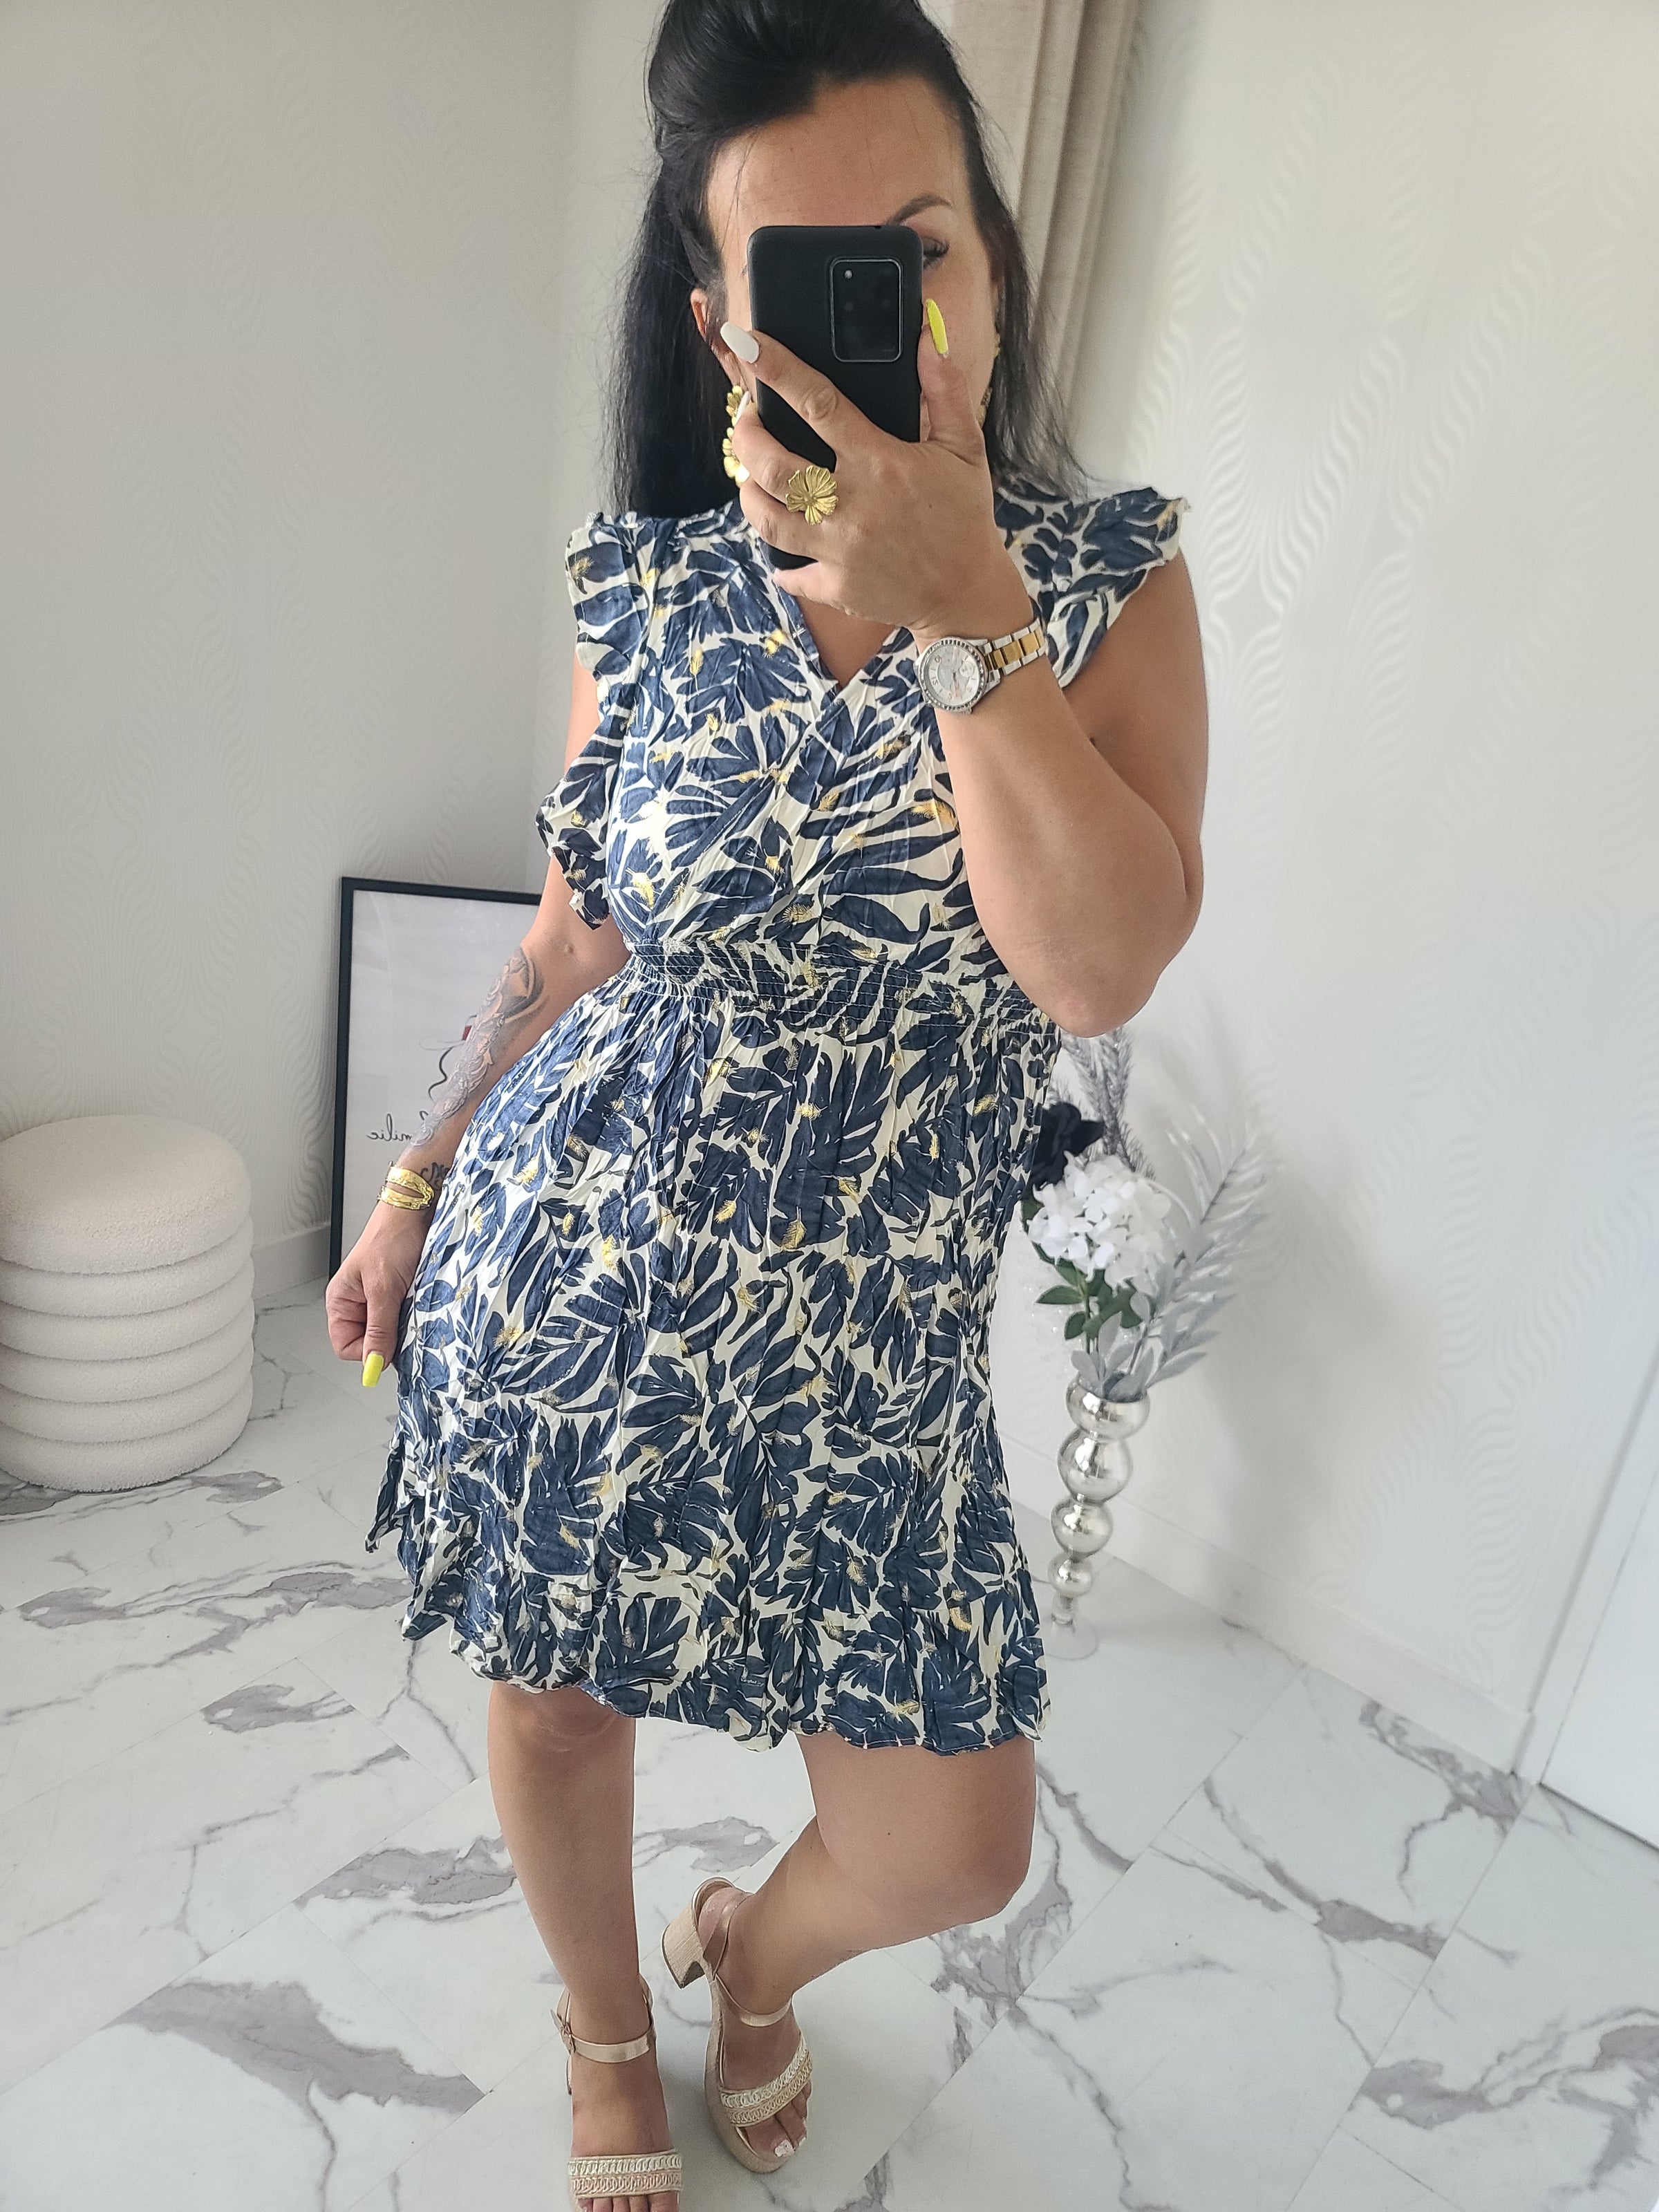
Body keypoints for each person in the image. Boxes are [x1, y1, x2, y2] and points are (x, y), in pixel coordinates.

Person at [326, 2, 1207, 2205]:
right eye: (808, 283)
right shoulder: (650, 592)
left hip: (875, 1356)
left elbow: (1097, 965)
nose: (885, 318)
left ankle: (747, 1950)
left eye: (920, 248)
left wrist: (963, 607)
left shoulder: (1109, 593)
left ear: (991, 254)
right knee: (556, 1706)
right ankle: (605, 2032)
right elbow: (568, 942)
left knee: (951, 1842)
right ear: (723, 324)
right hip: (588, 1276)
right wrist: (416, 1173)